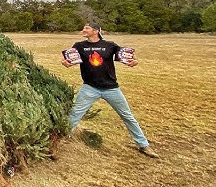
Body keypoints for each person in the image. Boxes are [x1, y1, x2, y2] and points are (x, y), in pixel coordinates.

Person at [61, 23, 159, 158]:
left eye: (87, 28)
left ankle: (143, 145)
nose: (83, 30)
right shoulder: (79, 46)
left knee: (127, 116)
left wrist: (134, 61)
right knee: (74, 116)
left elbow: (126, 55)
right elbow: (69, 59)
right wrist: (65, 63)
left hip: (111, 88)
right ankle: (59, 143)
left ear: (95, 31)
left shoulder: (110, 45)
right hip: (89, 88)